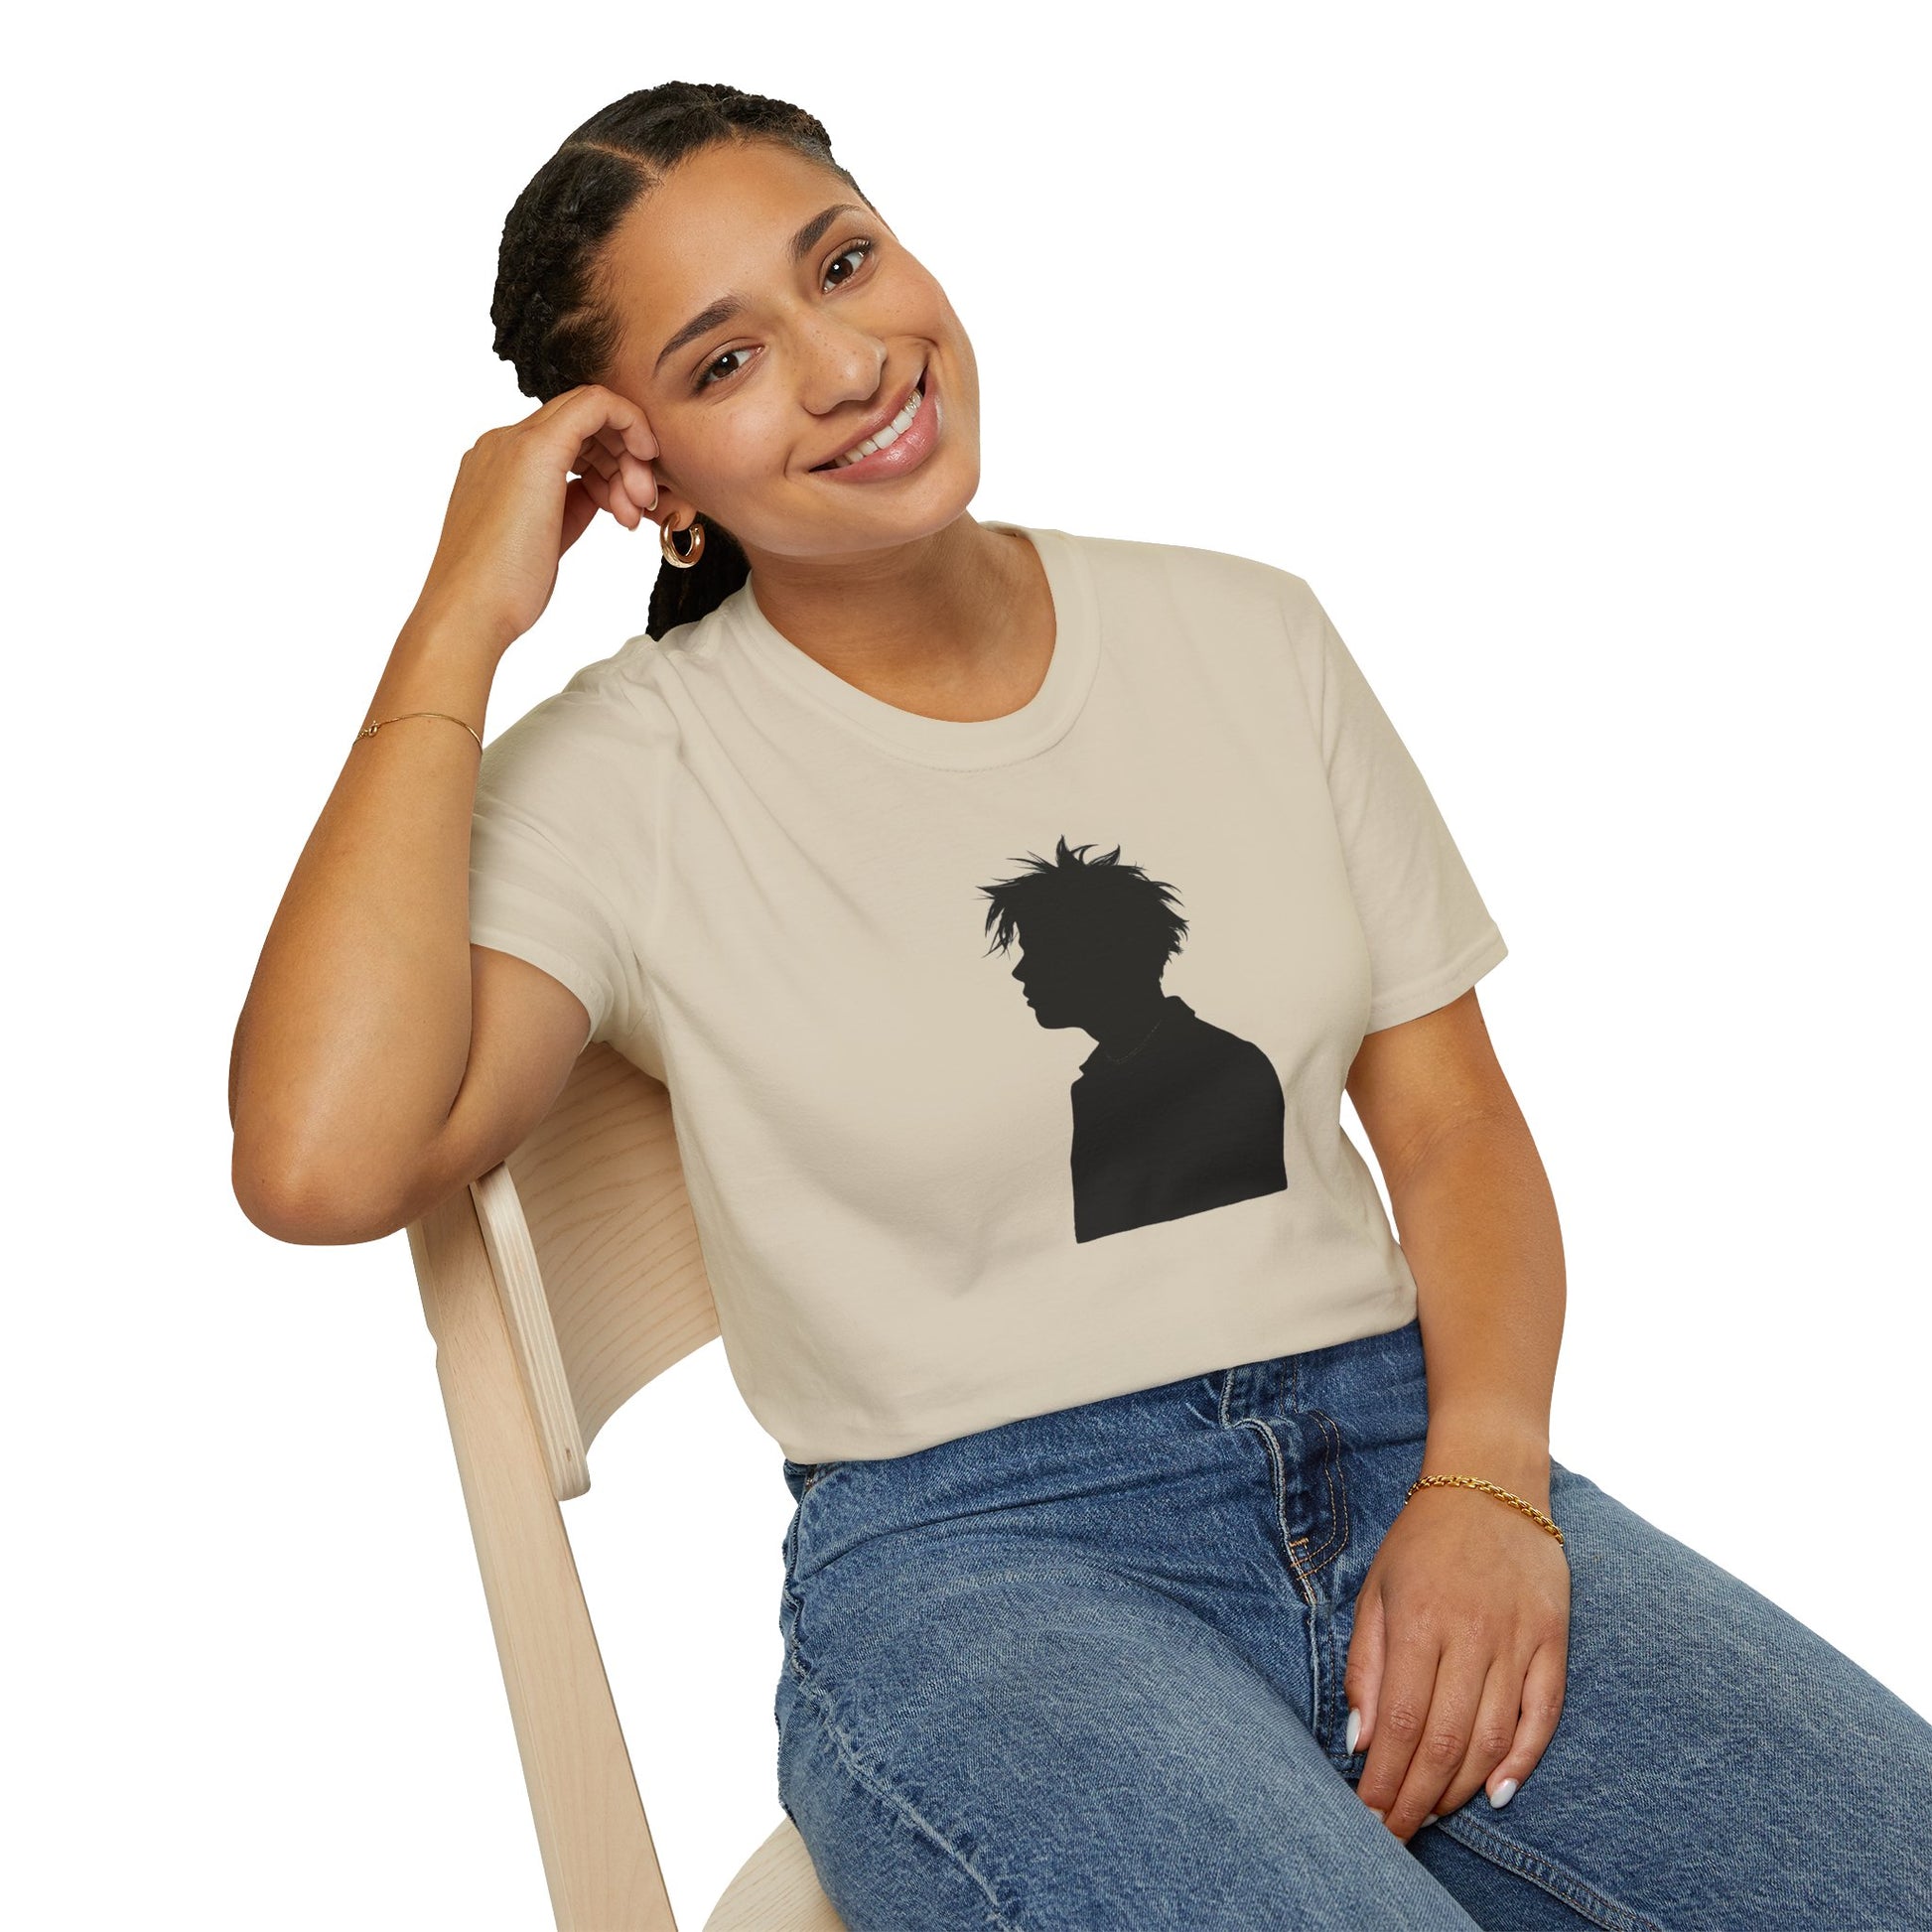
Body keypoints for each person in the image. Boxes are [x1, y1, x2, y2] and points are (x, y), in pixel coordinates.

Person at [228, 80, 1932, 1931]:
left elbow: (1449, 1126)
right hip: (979, 1562)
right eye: (725, 363)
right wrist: (455, 619)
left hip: (1401, 1443)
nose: (847, 362)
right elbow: (321, 1160)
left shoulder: (1248, 632)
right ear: (646, 479)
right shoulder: (625, 777)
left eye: (846, 262)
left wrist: (1490, 1484)